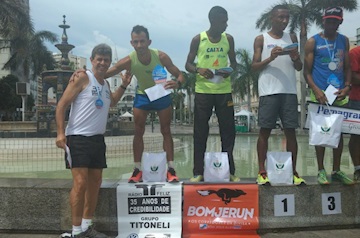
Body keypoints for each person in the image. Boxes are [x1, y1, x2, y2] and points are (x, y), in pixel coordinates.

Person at [55, 43, 131, 238]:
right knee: (80, 184)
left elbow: (112, 102)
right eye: (99, 59)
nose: (103, 63)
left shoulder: (105, 84)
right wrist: (60, 133)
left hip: (97, 140)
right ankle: (76, 231)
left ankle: (87, 226)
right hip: (78, 139)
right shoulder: (82, 77)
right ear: (92, 60)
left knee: (95, 183)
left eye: (106, 60)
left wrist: (123, 85)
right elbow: (61, 105)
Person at [105, 25, 184, 183]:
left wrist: (178, 83)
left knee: (166, 131)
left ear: (149, 41)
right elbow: (106, 73)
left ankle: (171, 169)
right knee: (138, 131)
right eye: (136, 42)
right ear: (132, 43)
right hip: (143, 96)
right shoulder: (129, 60)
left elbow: (180, 74)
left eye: (142, 41)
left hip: (160, 94)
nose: (139, 45)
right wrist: (86, 73)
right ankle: (137, 169)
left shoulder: (161, 56)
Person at [251, 4, 305, 186]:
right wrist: (270, 57)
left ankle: (293, 171)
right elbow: (254, 66)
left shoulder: (292, 37)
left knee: (291, 133)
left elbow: (299, 67)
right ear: (271, 19)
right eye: (281, 17)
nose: (284, 21)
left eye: (286, 18)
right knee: (264, 132)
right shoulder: (261, 39)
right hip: (269, 92)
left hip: (289, 91)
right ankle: (261, 171)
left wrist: (296, 57)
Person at [185, 6, 240, 182]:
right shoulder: (198, 39)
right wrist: (198, 69)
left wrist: (229, 70)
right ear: (213, 21)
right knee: (200, 132)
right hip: (203, 92)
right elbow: (188, 64)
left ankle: (229, 171)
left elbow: (235, 63)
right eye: (223, 21)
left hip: (224, 91)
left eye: (227, 21)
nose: (226, 25)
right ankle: (198, 171)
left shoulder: (228, 39)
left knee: (228, 131)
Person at [303, 6, 354, 185]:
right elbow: (306, 72)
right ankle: (320, 170)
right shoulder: (313, 41)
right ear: (323, 21)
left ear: (340, 22)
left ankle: (337, 169)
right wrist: (316, 90)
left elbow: (347, 67)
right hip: (320, 95)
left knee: (338, 134)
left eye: (335, 21)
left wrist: (347, 86)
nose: (331, 24)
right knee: (321, 133)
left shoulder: (344, 41)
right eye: (328, 20)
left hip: (339, 94)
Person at [348, 45, 360, 182]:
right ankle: (358, 168)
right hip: (357, 99)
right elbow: (353, 77)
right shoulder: (355, 52)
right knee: (357, 135)